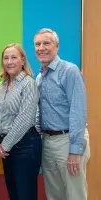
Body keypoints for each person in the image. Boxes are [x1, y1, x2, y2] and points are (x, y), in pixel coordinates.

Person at [34, 28, 90, 200]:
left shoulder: (69, 71)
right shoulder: (40, 77)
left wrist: (75, 151)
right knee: (54, 195)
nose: (41, 48)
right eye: (37, 44)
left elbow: (78, 112)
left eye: (46, 43)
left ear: (56, 47)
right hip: (48, 142)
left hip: (68, 140)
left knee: (75, 194)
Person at [0, 43, 41, 200]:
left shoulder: (29, 83)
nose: (9, 61)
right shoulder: (2, 85)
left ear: (23, 60)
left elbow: (25, 119)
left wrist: (4, 145)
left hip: (25, 146)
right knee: (14, 193)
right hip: (6, 148)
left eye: (14, 57)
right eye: (6, 58)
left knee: (25, 194)